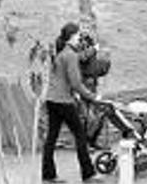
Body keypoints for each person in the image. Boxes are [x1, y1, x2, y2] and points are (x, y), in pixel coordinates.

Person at [42, 22, 104, 183]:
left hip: (51, 99)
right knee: (80, 135)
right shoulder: (70, 56)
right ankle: (88, 175)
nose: (79, 39)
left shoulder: (61, 53)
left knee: (51, 138)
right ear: (70, 37)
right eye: (77, 36)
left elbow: (62, 80)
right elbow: (76, 83)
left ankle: (48, 176)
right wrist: (92, 97)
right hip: (63, 101)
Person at [78, 31, 111, 150]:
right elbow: (82, 58)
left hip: (92, 88)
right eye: (82, 40)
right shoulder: (77, 52)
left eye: (86, 41)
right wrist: (94, 49)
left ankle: (92, 141)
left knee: (99, 116)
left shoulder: (91, 54)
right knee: (88, 118)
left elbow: (98, 70)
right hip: (80, 89)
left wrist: (107, 61)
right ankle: (84, 144)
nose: (83, 43)